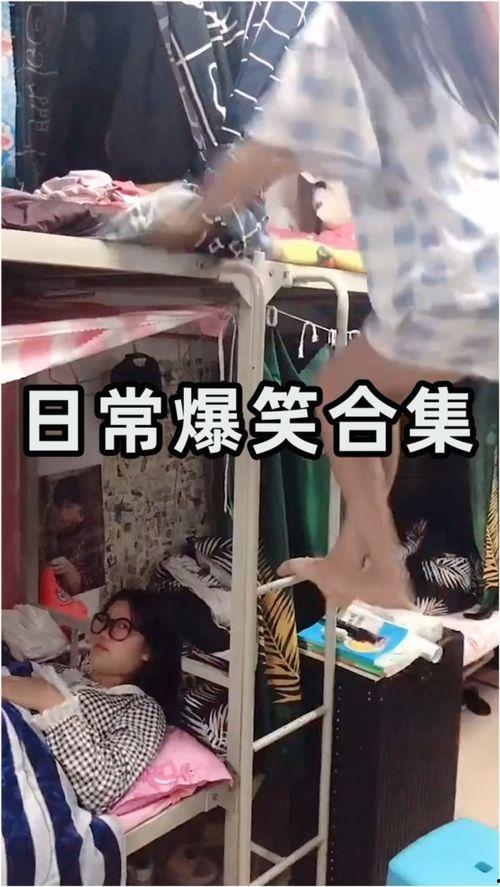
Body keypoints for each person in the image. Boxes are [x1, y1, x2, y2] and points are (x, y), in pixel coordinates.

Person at [160, 2, 498, 609]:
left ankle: (384, 571)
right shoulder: (459, 27)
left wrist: (191, 217)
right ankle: (349, 559)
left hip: (448, 285)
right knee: (373, 403)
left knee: (336, 395)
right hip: (481, 272)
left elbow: (264, 154)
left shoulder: (348, 26)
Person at [2, 589, 182, 813]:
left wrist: (52, 703)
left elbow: (100, 788)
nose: (105, 632)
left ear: (149, 650)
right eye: (104, 621)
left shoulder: (141, 708)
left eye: (122, 626)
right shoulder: (64, 671)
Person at [47, 475, 105, 596]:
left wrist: (69, 570)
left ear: (80, 507)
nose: (63, 513)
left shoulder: (92, 537)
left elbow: (92, 589)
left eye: (69, 506)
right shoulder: (61, 537)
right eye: (60, 507)